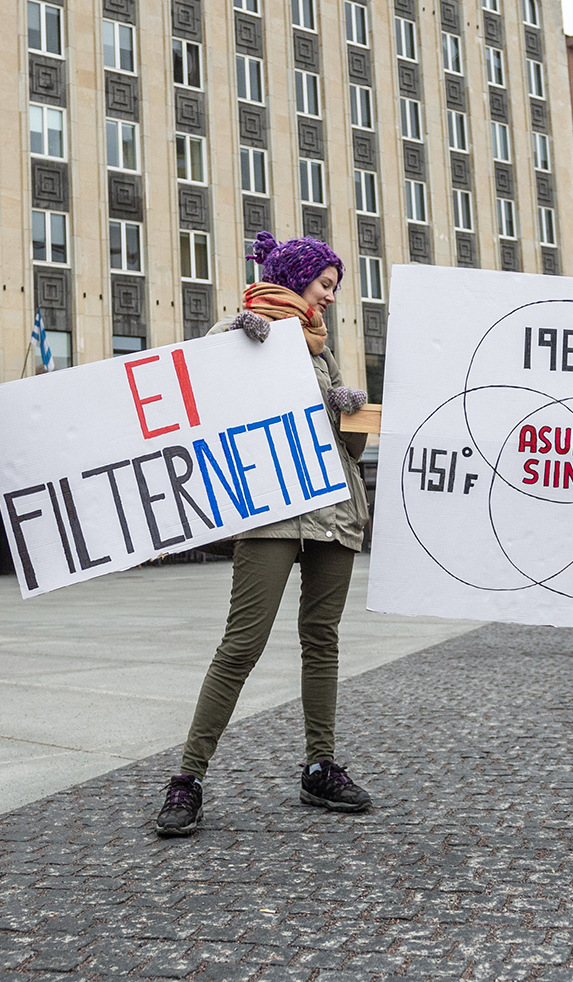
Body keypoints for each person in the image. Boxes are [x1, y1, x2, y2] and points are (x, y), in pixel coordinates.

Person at [154, 231, 372, 838]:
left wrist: (349, 413)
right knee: (242, 644)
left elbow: (351, 450)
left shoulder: (324, 352)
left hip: (334, 512)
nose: (329, 298)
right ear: (295, 278)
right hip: (271, 511)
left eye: (333, 288)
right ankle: (188, 778)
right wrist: (233, 339)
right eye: (324, 285)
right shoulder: (240, 331)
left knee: (321, 639)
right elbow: (197, 383)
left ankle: (320, 765)